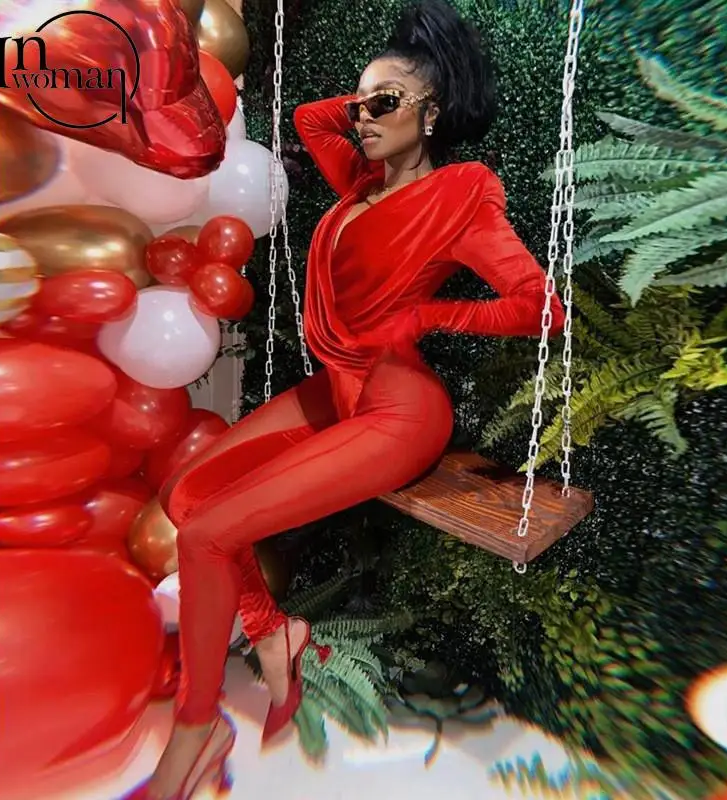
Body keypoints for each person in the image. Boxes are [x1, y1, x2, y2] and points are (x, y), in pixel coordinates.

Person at [124, 0, 565, 797]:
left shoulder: (461, 193)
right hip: (335, 390)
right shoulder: (357, 181)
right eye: (360, 103)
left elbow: (542, 307)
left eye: (383, 104)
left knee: (209, 533)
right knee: (187, 498)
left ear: (433, 112)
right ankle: (276, 633)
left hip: (400, 410)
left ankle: (196, 733)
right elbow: (308, 116)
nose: (360, 117)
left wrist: (431, 316)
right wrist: (387, 89)